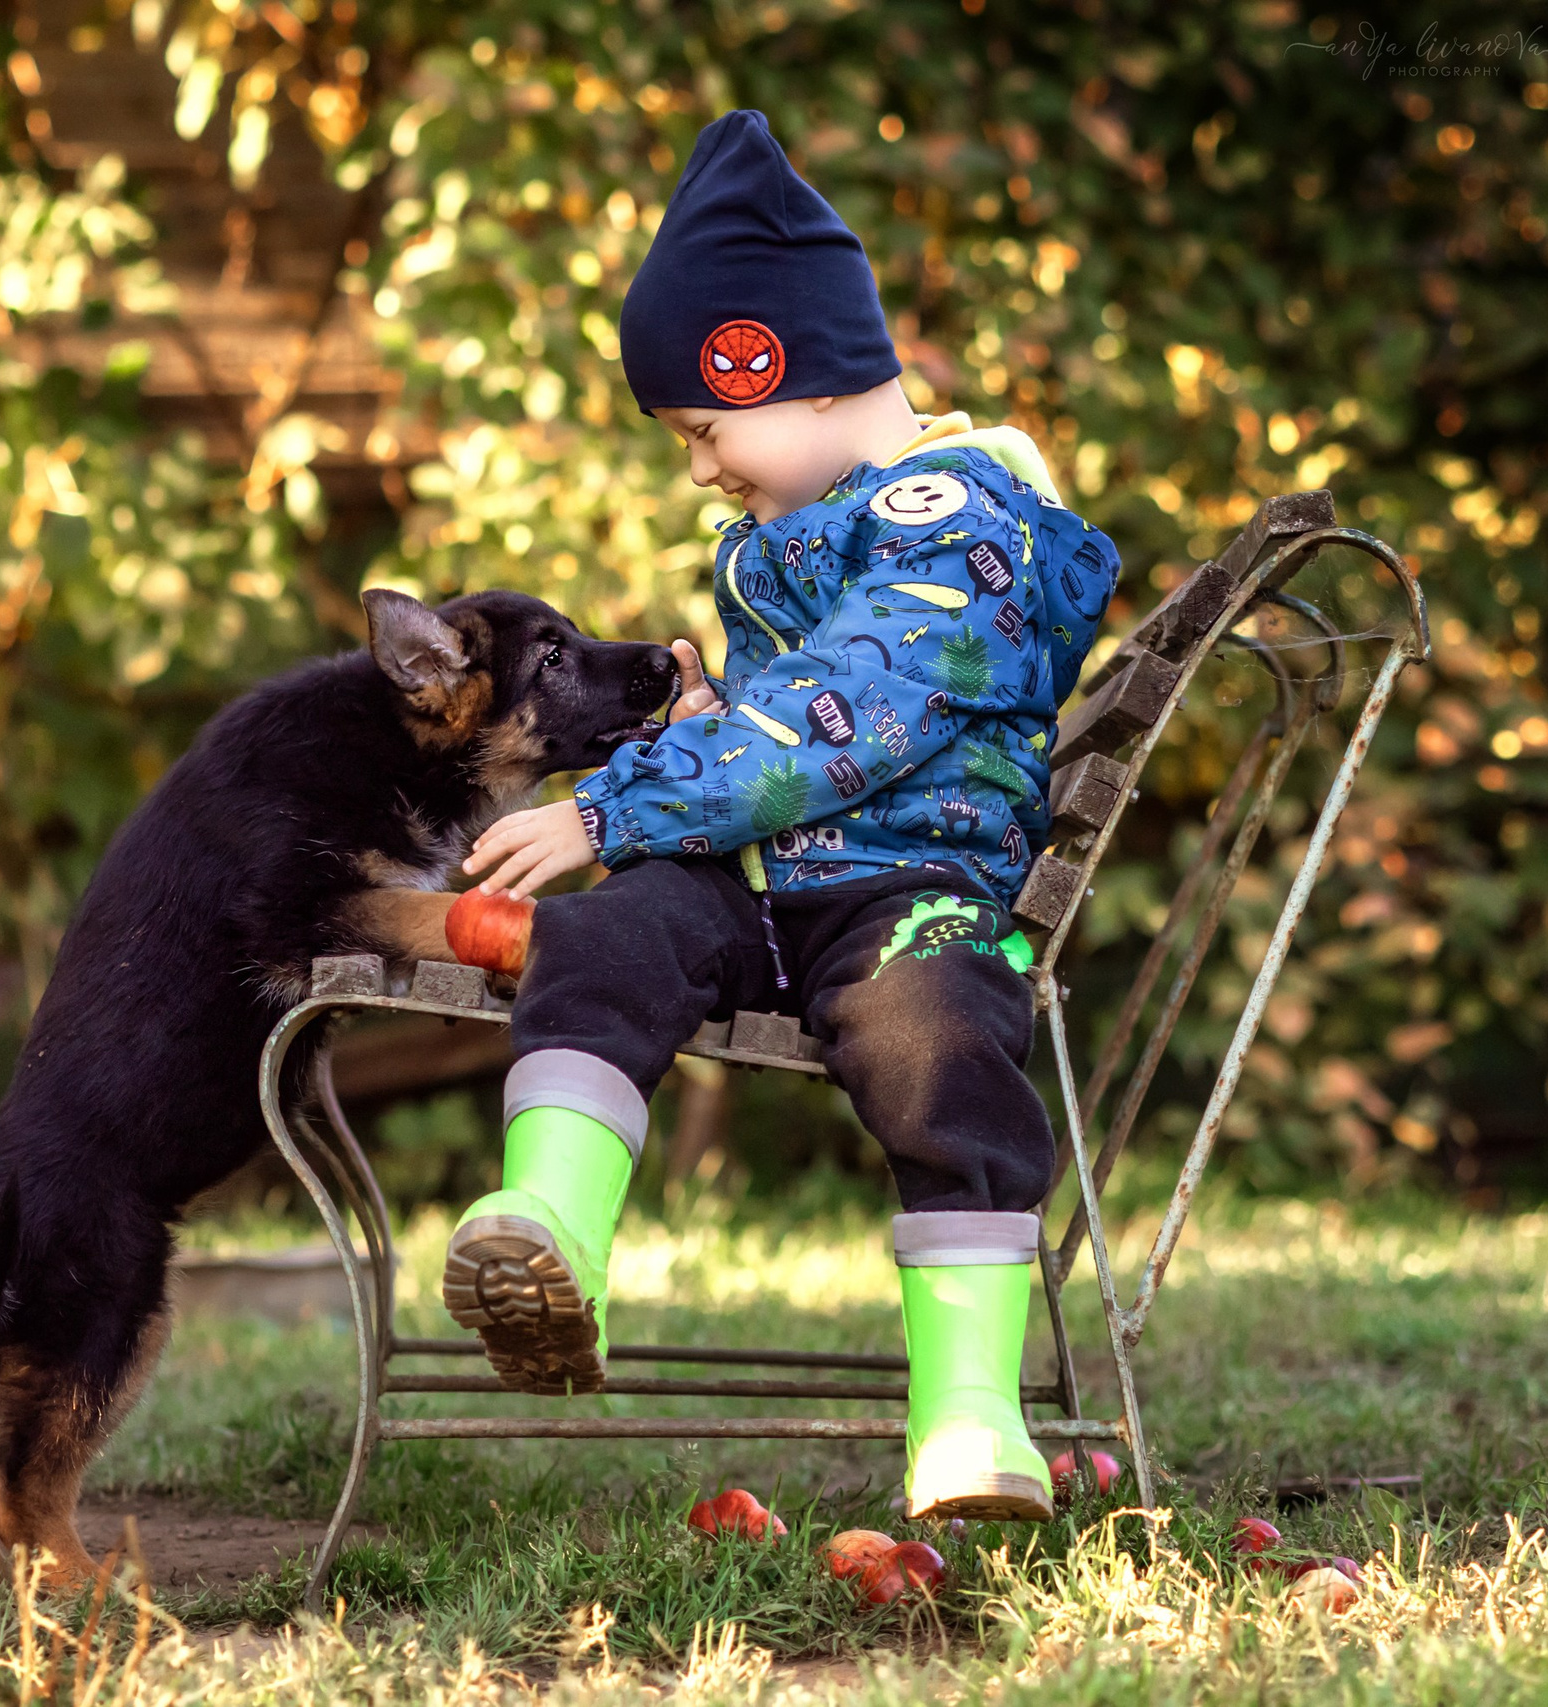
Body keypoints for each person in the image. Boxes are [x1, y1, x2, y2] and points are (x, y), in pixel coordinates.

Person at [439, 109, 1123, 1523]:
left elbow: (840, 719)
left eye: (703, 427)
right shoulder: (810, 534)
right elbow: (796, 729)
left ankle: (971, 1418)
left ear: (786, 372)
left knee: (942, 1036)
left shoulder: (961, 525)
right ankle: (550, 1236)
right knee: (612, 939)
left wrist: (616, 803)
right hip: (764, 887)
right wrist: (693, 739)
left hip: (908, 894)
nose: (700, 468)